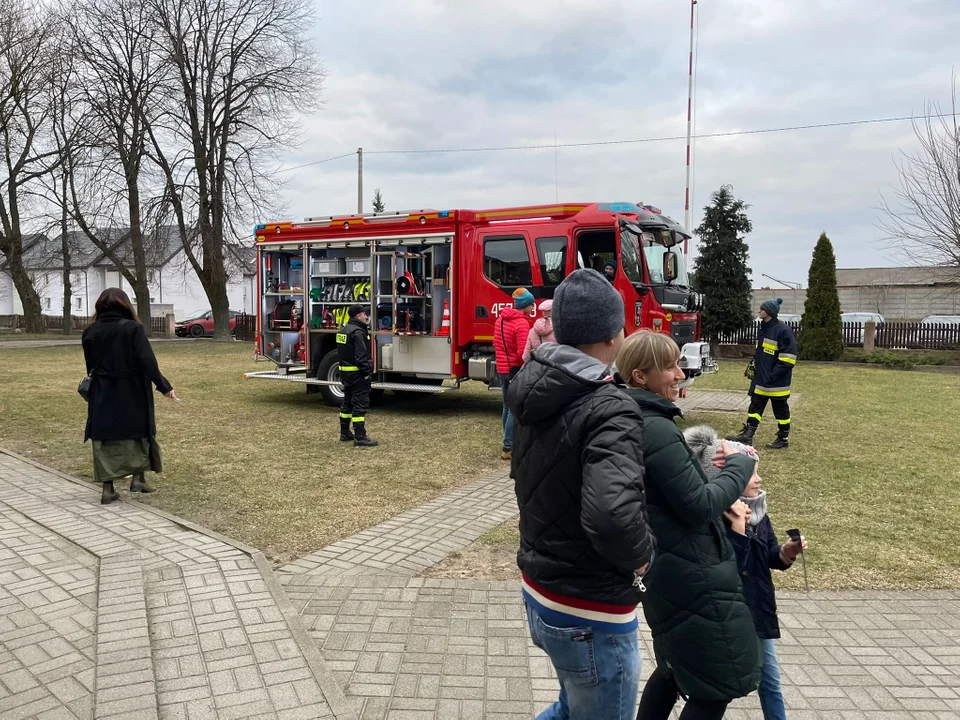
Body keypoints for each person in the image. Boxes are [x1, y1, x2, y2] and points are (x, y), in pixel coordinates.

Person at [507, 268, 654, 720]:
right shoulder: (610, 406)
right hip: (590, 608)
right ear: (613, 335)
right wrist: (643, 556)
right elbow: (612, 515)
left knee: (572, 708)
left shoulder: (534, 384)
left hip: (541, 589)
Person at [616, 329, 760, 720]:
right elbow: (697, 506)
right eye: (669, 366)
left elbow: (674, 492)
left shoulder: (632, 416)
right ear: (640, 376)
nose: (679, 374)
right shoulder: (656, 427)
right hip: (690, 571)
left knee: (674, 669)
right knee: (714, 686)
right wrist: (740, 466)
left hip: (668, 565)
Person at [685, 425, 809, 720]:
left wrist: (786, 552)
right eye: (751, 474)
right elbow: (724, 569)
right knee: (718, 689)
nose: (759, 479)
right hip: (727, 615)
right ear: (726, 477)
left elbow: (767, 556)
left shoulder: (758, 510)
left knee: (770, 682)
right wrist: (738, 532)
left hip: (757, 609)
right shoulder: (711, 517)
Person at [81, 288, 177, 504]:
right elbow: (147, 361)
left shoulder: (89, 331)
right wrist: (164, 387)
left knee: (105, 437)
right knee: (138, 433)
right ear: (125, 305)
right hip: (132, 390)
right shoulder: (133, 328)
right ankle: (137, 479)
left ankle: (108, 488)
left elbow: (90, 367)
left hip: (103, 392)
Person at [729, 298, 797, 449]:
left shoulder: (783, 331)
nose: (759, 311)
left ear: (770, 312)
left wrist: (772, 376)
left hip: (777, 383)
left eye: (762, 309)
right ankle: (747, 436)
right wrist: (754, 366)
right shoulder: (764, 328)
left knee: (780, 411)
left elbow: (789, 359)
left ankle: (783, 438)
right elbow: (763, 354)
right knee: (755, 407)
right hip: (762, 379)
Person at [493, 288, 535, 460]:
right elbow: (522, 353)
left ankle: (507, 443)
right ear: (525, 305)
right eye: (532, 304)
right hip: (514, 369)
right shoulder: (521, 324)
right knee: (513, 409)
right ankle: (508, 446)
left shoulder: (500, 320)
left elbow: (496, 343)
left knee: (505, 405)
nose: (534, 306)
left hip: (502, 368)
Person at [337, 304, 377, 447]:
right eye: (364, 314)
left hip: (345, 374)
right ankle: (360, 436)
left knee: (347, 402)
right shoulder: (358, 332)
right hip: (357, 375)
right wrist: (367, 373)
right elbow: (361, 357)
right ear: (358, 316)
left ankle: (345, 432)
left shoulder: (343, 331)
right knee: (360, 404)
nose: (366, 316)